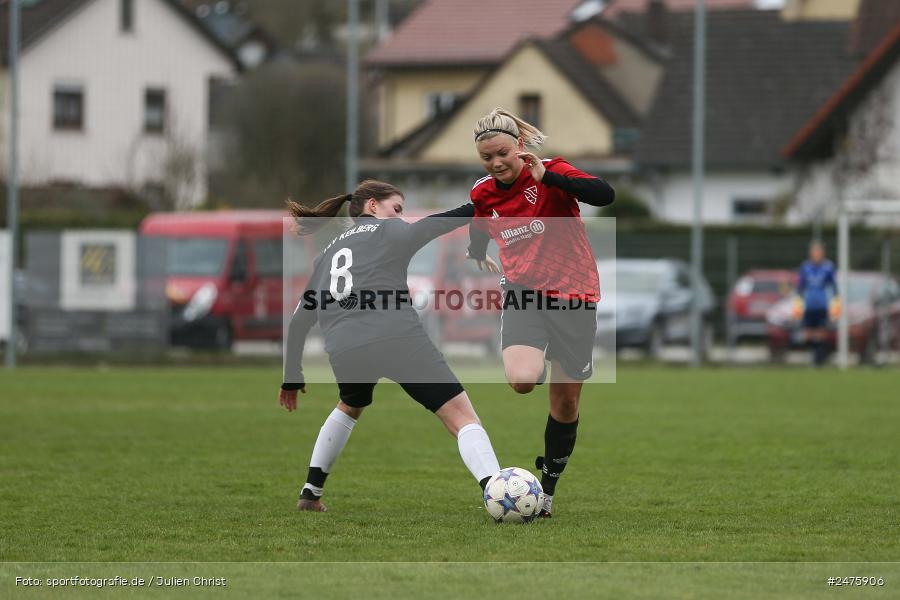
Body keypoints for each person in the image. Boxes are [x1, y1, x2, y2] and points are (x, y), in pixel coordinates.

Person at [280, 179, 501, 512]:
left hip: (344, 348)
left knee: (350, 405)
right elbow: (433, 226)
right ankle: (500, 492)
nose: (400, 217)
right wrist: (481, 205)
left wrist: (292, 376)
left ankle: (310, 493)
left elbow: (299, 321)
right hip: (396, 336)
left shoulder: (327, 254)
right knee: (461, 416)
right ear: (372, 205)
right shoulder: (387, 229)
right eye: (396, 208)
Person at [465, 107, 615, 518]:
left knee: (565, 405)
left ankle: (546, 491)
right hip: (524, 292)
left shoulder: (553, 170)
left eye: (502, 153)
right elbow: (479, 221)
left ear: (519, 145)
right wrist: (476, 251)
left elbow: (604, 194)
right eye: (486, 157)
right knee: (521, 379)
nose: (496, 163)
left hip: (575, 295)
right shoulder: (483, 191)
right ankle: (540, 351)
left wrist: (549, 178)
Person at [798, 240, 838, 367]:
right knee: (808, 334)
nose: (816, 254)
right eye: (814, 251)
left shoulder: (828, 267)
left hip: (822, 305)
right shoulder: (805, 267)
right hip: (809, 305)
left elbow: (834, 286)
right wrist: (798, 302)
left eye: (819, 251)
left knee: (822, 333)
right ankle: (814, 356)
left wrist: (835, 302)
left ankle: (819, 359)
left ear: (823, 253)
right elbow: (800, 286)